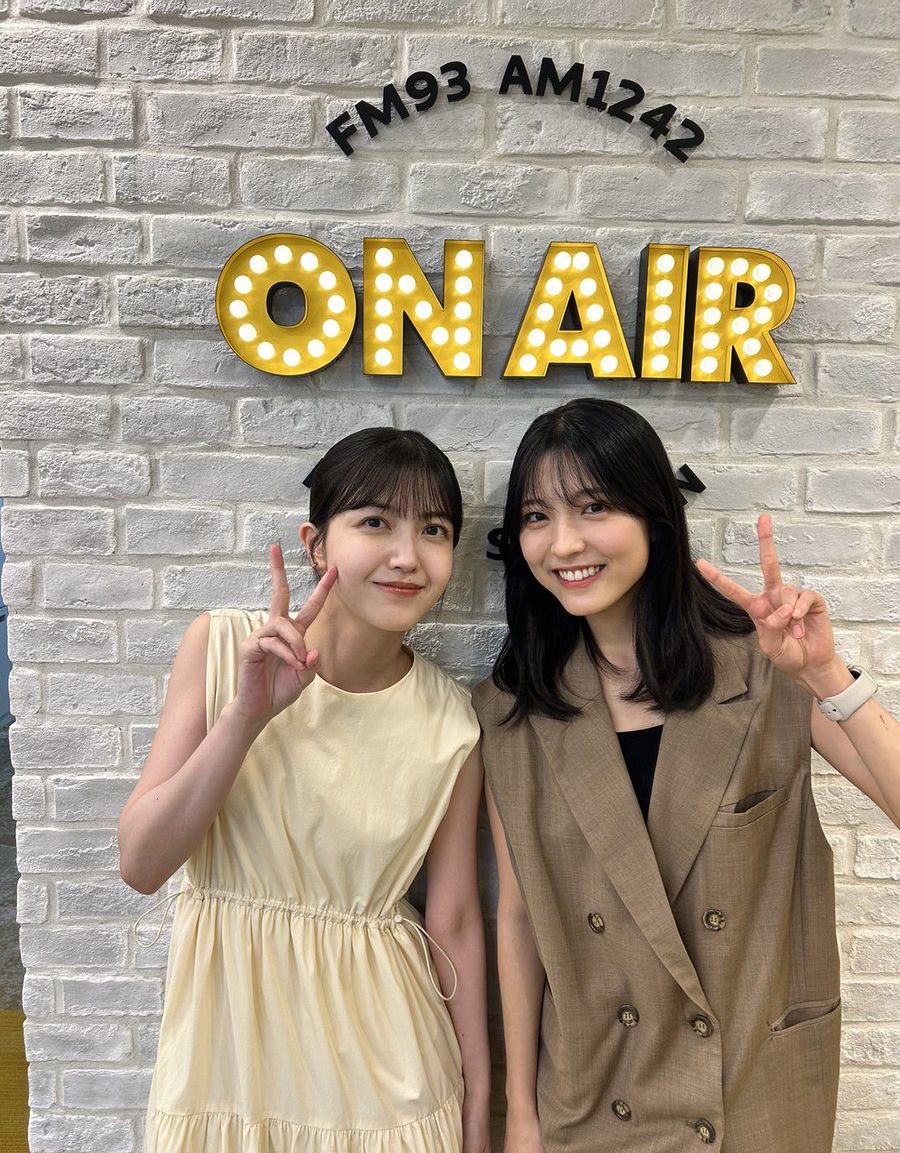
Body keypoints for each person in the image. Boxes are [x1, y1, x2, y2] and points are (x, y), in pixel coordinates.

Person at [473, 397, 900, 1153]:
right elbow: (519, 917)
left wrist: (826, 675)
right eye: (537, 516)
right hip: (599, 1090)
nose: (563, 542)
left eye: (594, 506)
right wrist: (524, 1117)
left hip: (750, 1087)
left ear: (654, 516)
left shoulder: (762, 666)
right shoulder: (513, 710)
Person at [118, 428, 491, 1153]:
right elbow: (141, 864)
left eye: (434, 530)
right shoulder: (223, 648)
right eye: (375, 522)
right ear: (316, 545)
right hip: (227, 1065)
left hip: (390, 1069)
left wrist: (478, 1111)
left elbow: (455, 921)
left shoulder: (452, 721)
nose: (408, 556)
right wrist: (245, 717)